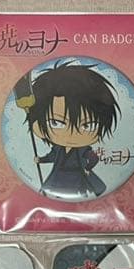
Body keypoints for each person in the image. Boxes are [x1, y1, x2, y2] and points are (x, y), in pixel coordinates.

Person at [15, 60, 120, 199]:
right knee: (56, 192)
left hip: (77, 176)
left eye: (87, 125)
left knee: (78, 194)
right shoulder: (58, 148)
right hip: (59, 175)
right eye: (55, 123)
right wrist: (40, 160)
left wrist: (88, 168)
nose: (71, 133)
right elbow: (52, 157)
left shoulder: (84, 150)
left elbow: (93, 158)